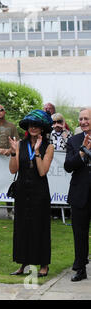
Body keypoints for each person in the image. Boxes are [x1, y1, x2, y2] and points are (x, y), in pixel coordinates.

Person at [8, 109, 54, 277]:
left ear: (42, 128)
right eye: (30, 125)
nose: (33, 127)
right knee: (22, 226)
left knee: (39, 227)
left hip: (39, 191)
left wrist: (36, 152)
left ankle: (43, 264)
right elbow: (13, 169)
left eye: (36, 125)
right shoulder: (20, 144)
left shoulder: (48, 146)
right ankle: (23, 263)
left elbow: (42, 171)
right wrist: (13, 152)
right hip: (22, 190)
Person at [64, 108, 91, 282]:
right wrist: (82, 152)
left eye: (86, 118)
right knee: (79, 234)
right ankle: (80, 268)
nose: (83, 122)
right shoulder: (73, 141)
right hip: (80, 194)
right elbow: (68, 166)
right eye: (80, 119)